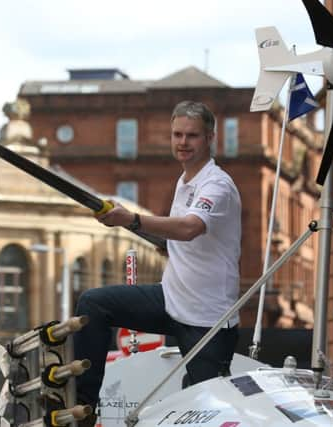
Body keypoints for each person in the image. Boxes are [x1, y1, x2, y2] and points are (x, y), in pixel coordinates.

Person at [74, 100, 241, 426]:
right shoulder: (184, 181)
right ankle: (83, 409)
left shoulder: (216, 184)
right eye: (177, 135)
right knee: (93, 304)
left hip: (207, 317)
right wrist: (170, 246)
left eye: (191, 136)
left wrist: (131, 218)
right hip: (172, 298)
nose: (182, 142)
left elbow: (191, 227)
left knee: (207, 410)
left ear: (209, 137)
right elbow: (185, 237)